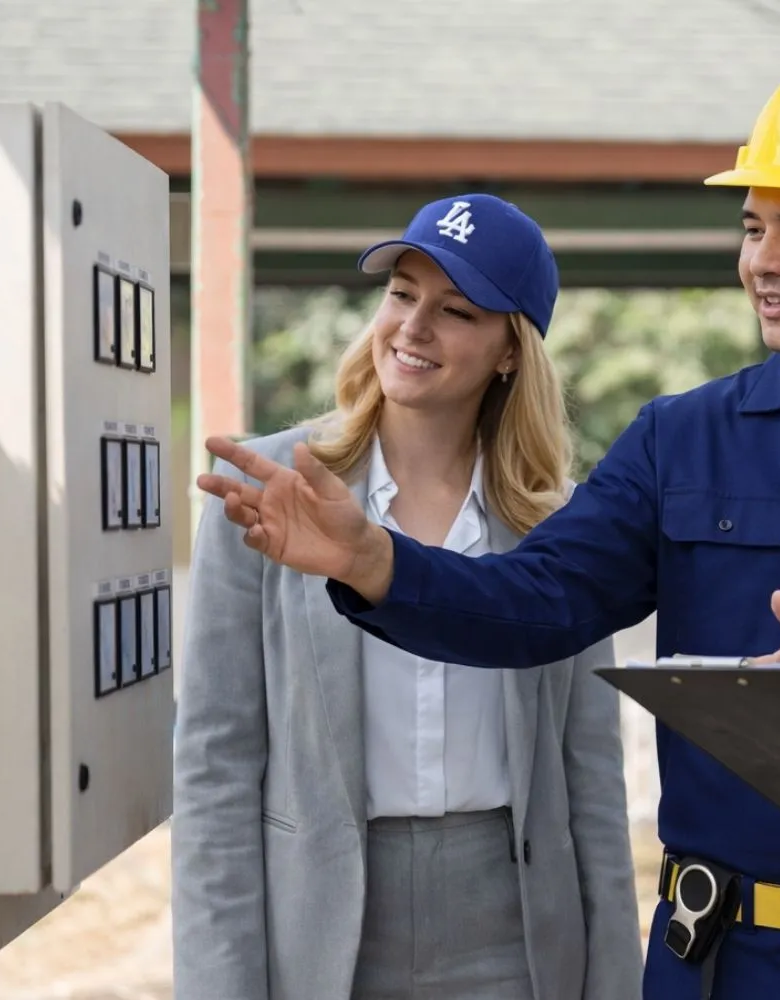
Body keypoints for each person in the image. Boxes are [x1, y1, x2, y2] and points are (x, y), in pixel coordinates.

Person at [194, 57, 780, 1000]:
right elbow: (535, 605)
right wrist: (374, 561)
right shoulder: (678, 441)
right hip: (722, 964)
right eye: (752, 227)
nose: (761, 260)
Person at [171, 192, 644, 1000]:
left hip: (516, 933)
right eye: (401, 294)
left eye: (456, 310)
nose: (413, 327)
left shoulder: (556, 527)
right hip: (320, 934)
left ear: (509, 352)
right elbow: (215, 768)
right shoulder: (271, 492)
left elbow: (590, 777)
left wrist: (613, 983)